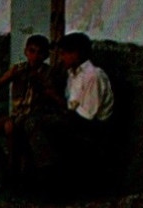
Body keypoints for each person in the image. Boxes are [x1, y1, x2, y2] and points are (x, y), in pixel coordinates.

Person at [17, 32, 115, 190]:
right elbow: (69, 103)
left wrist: (55, 99)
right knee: (26, 119)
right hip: (74, 119)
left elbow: (86, 116)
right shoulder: (72, 73)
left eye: (64, 54)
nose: (61, 58)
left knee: (35, 124)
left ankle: (49, 175)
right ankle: (27, 173)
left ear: (77, 54)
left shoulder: (92, 76)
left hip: (91, 128)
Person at [0, 34, 62, 167]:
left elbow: (55, 97)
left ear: (46, 55)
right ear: (26, 52)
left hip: (34, 117)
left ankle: (13, 164)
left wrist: (41, 83)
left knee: (10, 127)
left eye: (40, 53)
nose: (35, 56)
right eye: (32, 51)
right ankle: (4, 159)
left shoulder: (49, 72)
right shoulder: (19, 69)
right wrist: (9, 77)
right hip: (16, 114)